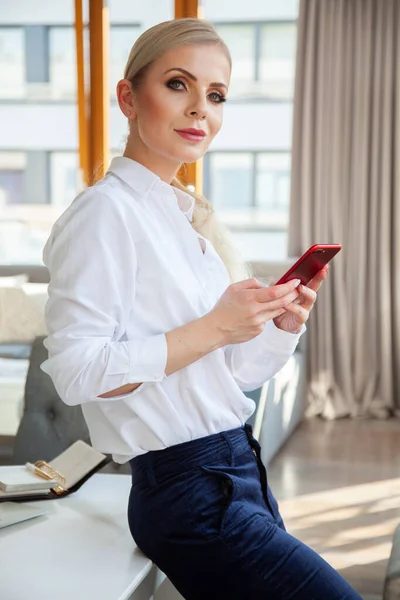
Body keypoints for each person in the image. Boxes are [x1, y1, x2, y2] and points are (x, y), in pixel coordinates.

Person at [41, 17, 362, 600]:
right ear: (128, 98)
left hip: (239, 470)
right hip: (188, 490)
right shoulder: (103, 215)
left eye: (216, 96)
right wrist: (215, 327)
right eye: (178, 85)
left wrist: (279, 326)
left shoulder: (186, 222)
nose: (200, 110)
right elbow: (77, 373)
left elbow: (230, 373)